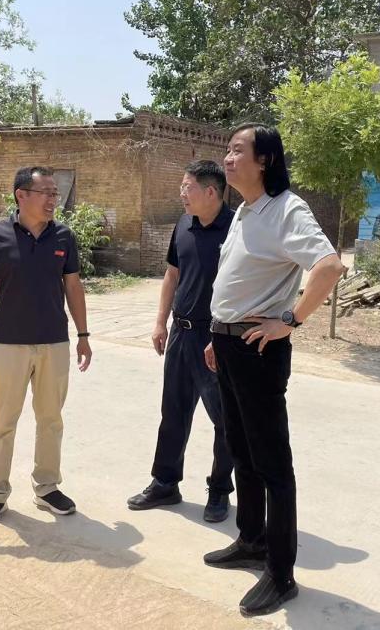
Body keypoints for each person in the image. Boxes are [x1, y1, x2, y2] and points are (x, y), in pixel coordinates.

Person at [202, 124, 344, 618]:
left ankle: (281, 573)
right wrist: (217, 333)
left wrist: (291, 320)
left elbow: (329, 266)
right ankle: (251, 540)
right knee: (241, 450)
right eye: (227, 149)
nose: (228, 157)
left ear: (264, 160)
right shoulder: (245, 210)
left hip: (258, 350)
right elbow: (237, 280)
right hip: (228, 342)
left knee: (272, 463)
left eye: (238, 150)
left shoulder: (286, 209)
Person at [0, 166, 92, 529]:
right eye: (46, 192)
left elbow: (73, 287)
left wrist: (83, 335)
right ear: (21, 195)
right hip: (8, 344)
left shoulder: (63, 236)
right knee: (3, 422)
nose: (53, 199)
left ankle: (47, 488)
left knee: (51, 419)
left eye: (54, 193)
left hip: (54, 343)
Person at [127, 160, 235, 523]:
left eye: (187, 187)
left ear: (211, 191)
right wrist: (160, 322)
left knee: (225, 419)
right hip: (180, 332)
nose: (181, 194)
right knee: (173, 412)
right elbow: (172, 274)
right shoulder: (184, 224)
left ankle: (219, 490)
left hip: (216, 336)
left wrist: (221, 334)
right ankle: (165, 483)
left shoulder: (236, 229)